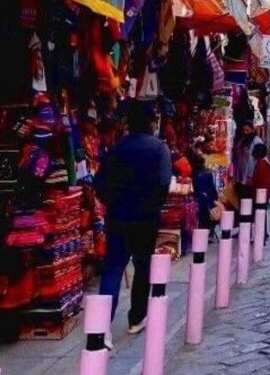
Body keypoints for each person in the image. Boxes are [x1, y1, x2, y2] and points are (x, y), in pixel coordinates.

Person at [94, 101, 172, 339]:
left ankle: (101, 326)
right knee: (142, 267)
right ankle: (136, 318)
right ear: (151, 123)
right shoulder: (159, 148)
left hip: (118, 217)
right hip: (145, 219)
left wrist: (114, 203)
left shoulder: (117, 149)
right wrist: (151, 206)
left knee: (113, 269)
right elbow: (163, 182)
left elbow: (99, 184)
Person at [231, 119, 263, 208]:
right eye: (244, 130)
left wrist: (250, 175)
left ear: (252, 130)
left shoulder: (256, 141)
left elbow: (257, 160)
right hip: (240, 176)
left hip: (250, 177)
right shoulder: (242, 140)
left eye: (247, 130)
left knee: (248, 201)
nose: (245, 132)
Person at [190, 151, 219, 235]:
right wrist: (215, 199)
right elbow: (212, 189)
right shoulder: (208, 174)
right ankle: (208, 231)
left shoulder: (194, 175)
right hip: (208, 200)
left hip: (199, 200)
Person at [250, 143, 270, 242]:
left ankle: (262, 235)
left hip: (260, 194)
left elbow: (260, 181)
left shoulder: (261, 164)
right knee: (261, 214)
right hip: (263, 193)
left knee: (259, 213)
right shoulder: (263, 163)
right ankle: (263, 234)